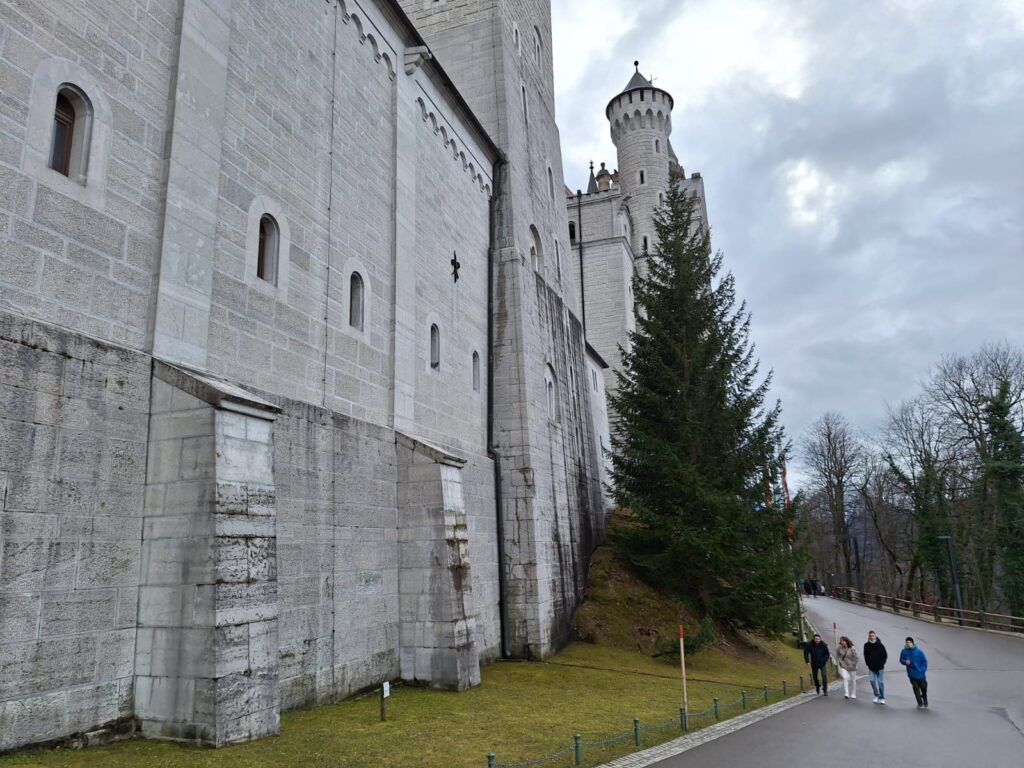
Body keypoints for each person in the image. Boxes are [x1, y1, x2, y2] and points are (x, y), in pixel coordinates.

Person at [899, 636, 929, 708]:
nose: (908, 644)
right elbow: (901, 660)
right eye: (907, 642)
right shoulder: (904, 651)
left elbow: (924, 662)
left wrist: (922, 670)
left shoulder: (919, 651)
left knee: (923, 687)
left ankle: (924, 698)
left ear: (912, 643)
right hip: (911, 674)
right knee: (915, 688)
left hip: (920, 674)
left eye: (909, 642)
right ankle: (919, 703)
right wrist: (905, 662)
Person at [863, 630, 888, 704]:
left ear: (875, 636)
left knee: (880, 683)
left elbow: (885, 655)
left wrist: (882, 663)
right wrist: (868, 664)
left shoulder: (880, 645)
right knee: (872, 681)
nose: (872, 637)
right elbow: (865, 655)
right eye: (870, 636)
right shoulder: (866, 645)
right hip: (871, 668)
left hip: (880, 668)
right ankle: (877, 695)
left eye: (873, 636)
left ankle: (882, 697)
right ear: (869, 636)